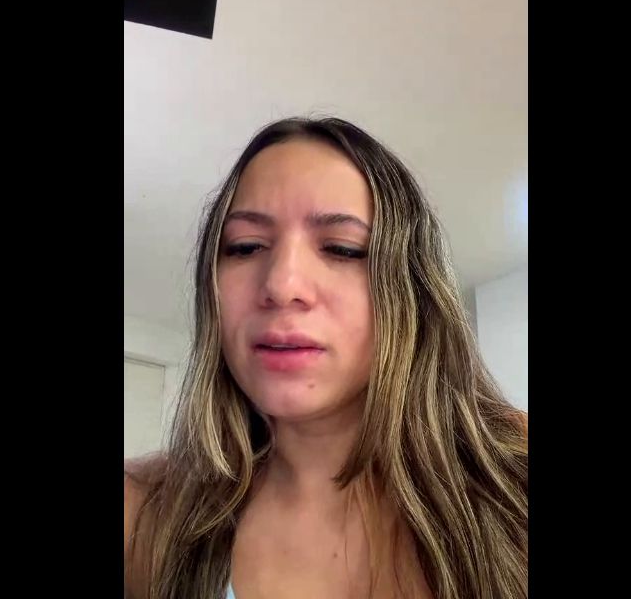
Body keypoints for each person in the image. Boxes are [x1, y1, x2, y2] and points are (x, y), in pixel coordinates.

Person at [124, 117, 528, 599]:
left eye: (342, 249)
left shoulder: (513, 482)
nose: (281, 285)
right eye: (245, 247)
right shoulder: (143, 516)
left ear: (412, 292)